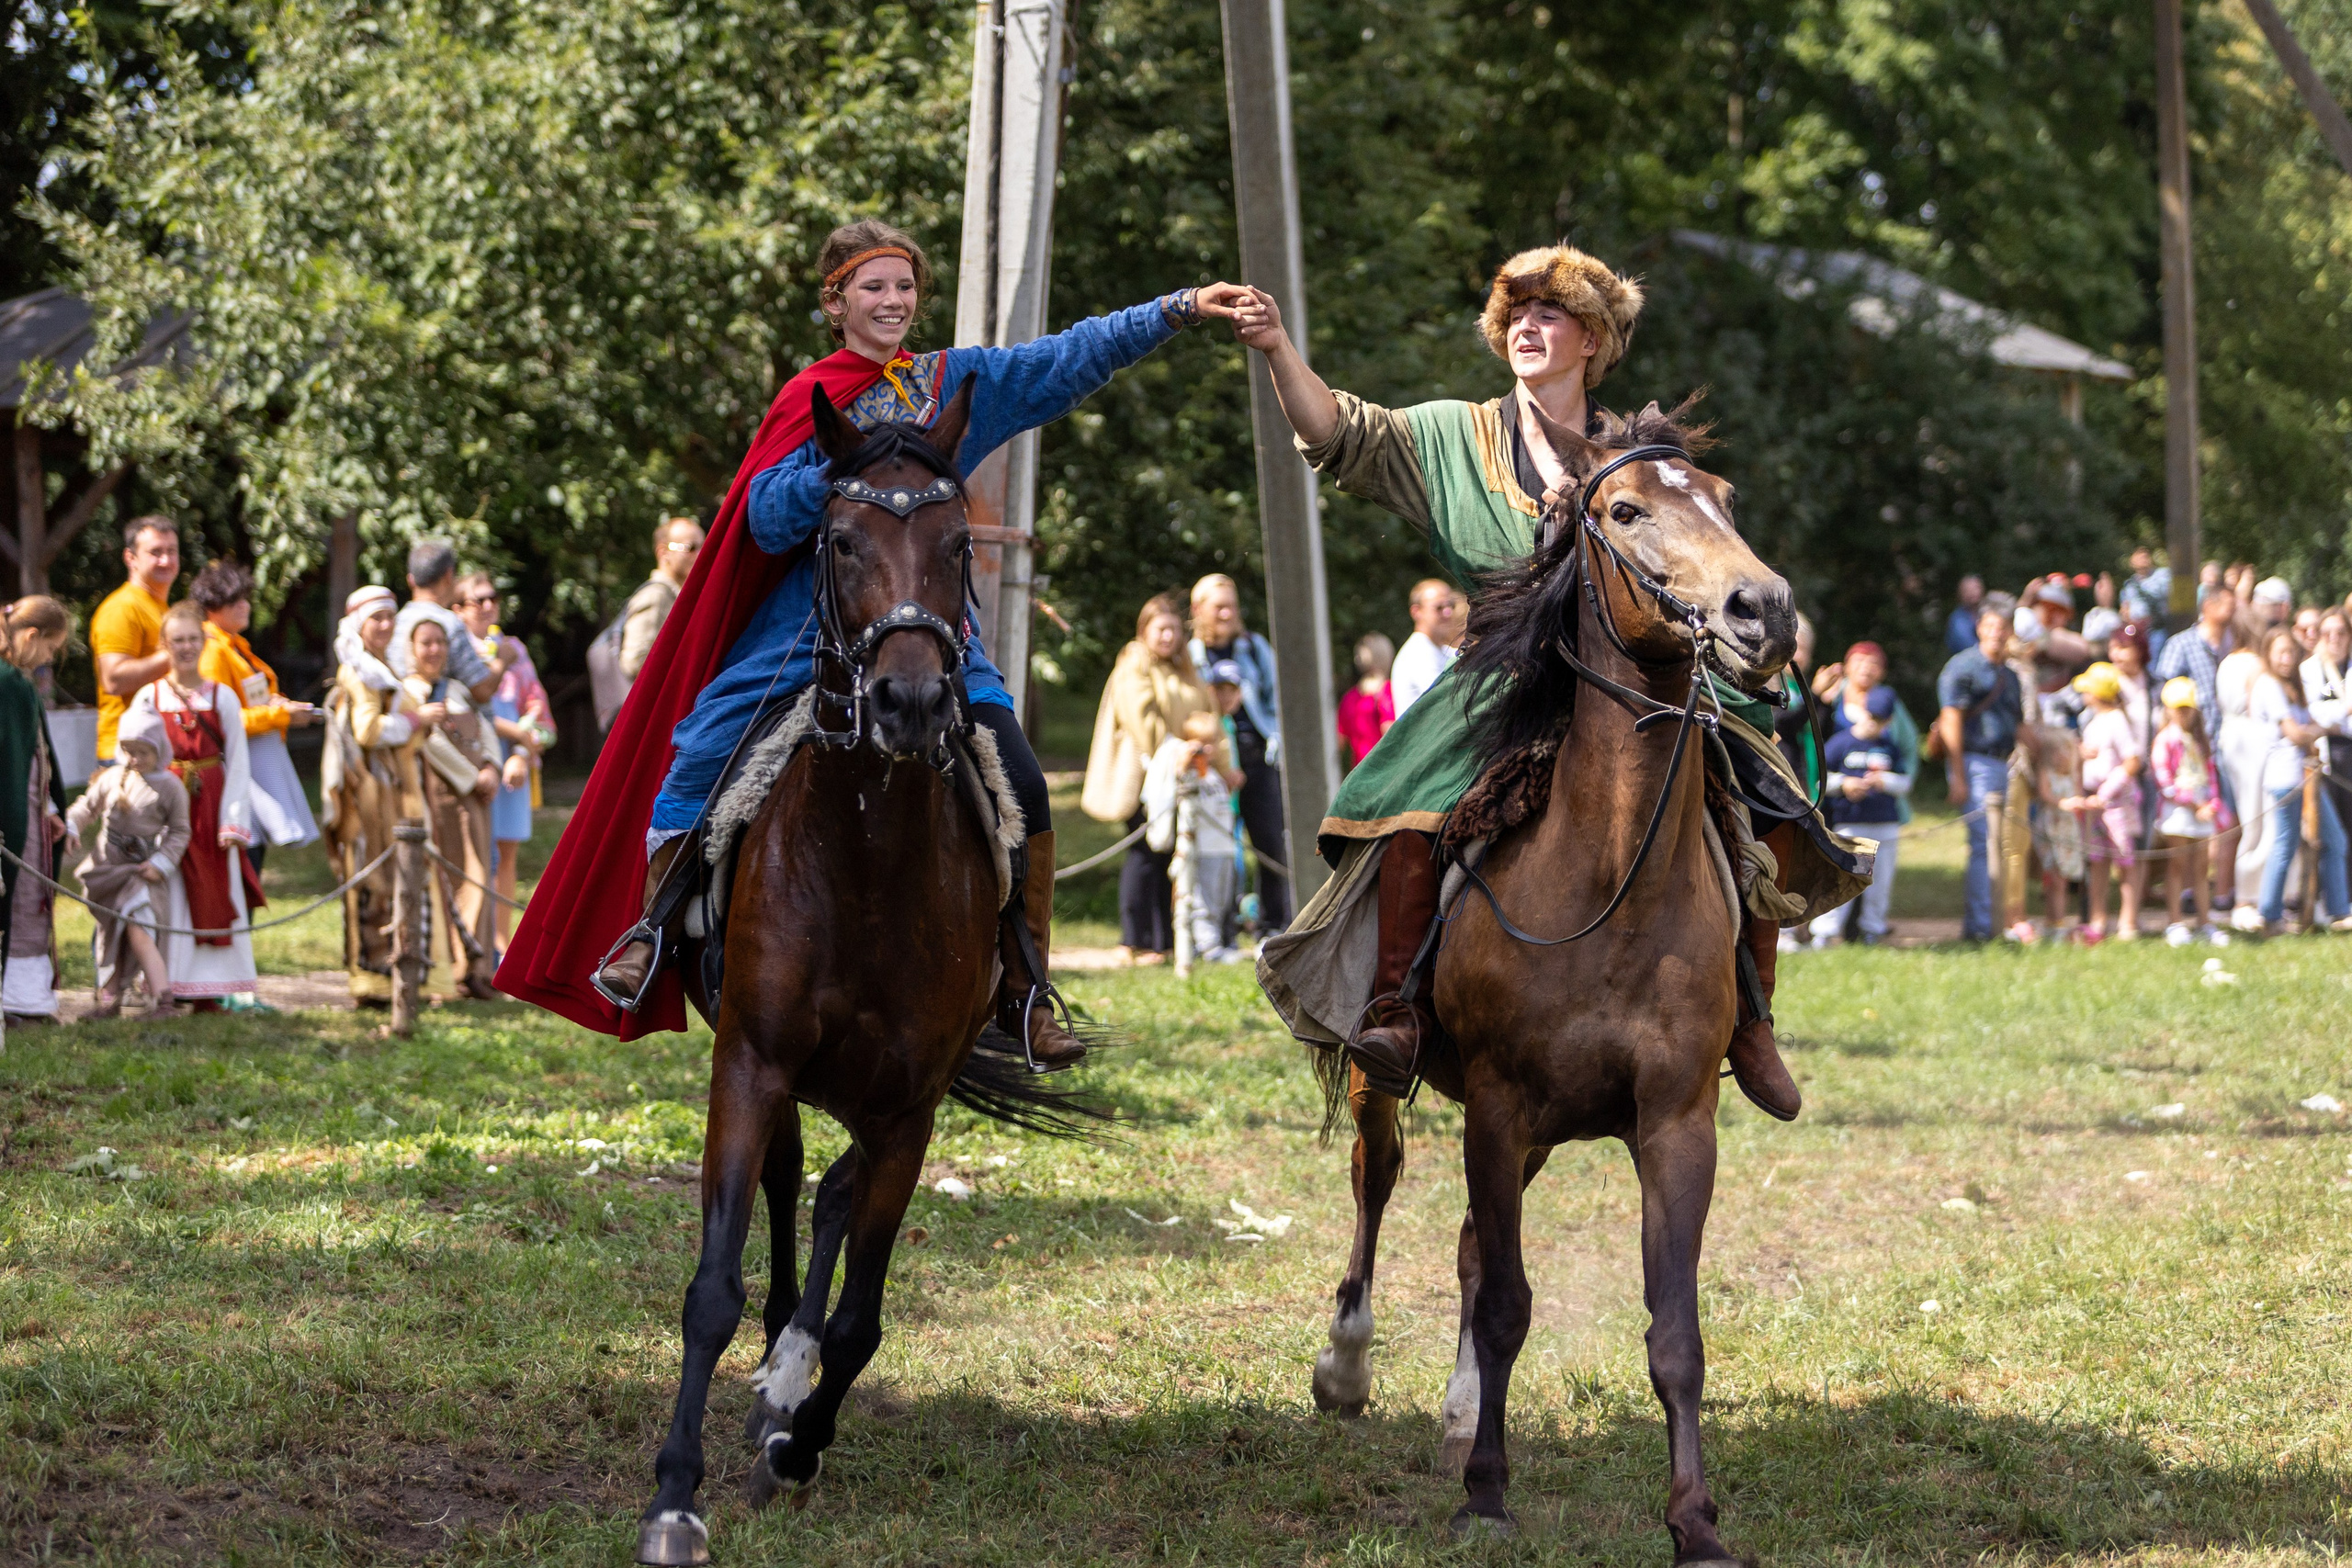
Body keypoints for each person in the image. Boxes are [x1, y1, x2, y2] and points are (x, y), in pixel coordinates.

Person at [516, 220, 1247, 1058]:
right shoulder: (810, 398)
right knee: (700, 752)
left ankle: (1026, 987)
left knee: (1024, 782)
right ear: (836, 303)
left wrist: (1178, 308)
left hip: (933, 634)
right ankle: (651, 935)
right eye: (874, 287)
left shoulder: (951, 383)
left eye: (904, 287)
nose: (894, 301)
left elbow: (1064, 359)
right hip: (808, 633)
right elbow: (760, 515)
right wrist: (839, 467)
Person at [1234, 245, 1853, 1118]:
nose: (1527, 325)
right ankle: (1395, 1011)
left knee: (1769, 780)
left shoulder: (1634, 451)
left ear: (1592, 336)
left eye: (1549, 312)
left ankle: (1751, 1013)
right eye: (1514, 313)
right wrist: (1275, 347)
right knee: (1403, 793)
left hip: (1637, 673)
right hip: (1505, 674)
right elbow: (1338, 430)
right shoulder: (1454, 435)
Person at [130, 601, 264, 1010]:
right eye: (177, 640)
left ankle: (210, 990)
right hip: (166, 807)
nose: (186, 647)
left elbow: (239, 761)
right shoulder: (148, 696)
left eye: (192, 639)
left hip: (209, 805)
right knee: (167, 893)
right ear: (164, 644)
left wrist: (233, 820)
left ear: (203, 642)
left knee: (209, 891)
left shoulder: (222, 697)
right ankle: (166, 984)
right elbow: (132, 756)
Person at [1083, 594, 1219, 964]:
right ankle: (1134, 938)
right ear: (1145, 631)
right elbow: (1141, 717)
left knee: (1165, 856)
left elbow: (1206, 712)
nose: (1168, 637)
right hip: (1145, 776)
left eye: (1174, 629)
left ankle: (1161, 941)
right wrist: (1175, 751)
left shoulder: (1183, 668)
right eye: (1161, 629)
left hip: (1180, 775)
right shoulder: (1134, 664)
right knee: (1144, 852)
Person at [320, 587, 428, 1005]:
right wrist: (417, 718)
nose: (385, 626)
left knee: (387, 875)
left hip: (385, 784)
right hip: (367, 787)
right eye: (376, 618)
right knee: (370, 875)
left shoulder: (379, 666)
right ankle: (369, 978)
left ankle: (387, 976)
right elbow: (367, 731)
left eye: (390, 617)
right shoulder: (360, 669)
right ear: (359, 624)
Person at [191, 559, 321, 869]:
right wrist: (280, 716)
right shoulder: (212, 651)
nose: (244, 606)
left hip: (253, 765)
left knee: (251, 860)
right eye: (234, 601)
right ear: (213, 605)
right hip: (232, 775)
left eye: (245, 598)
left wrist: (277, 705)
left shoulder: (234, 646)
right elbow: (218, 722)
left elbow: (247, 702)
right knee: (243, 864)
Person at [67, 705, 186, 1018]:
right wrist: (71, 827)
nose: (134, 759)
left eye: (142, 752)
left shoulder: (170, 786)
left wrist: (161, 864)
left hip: (143, 874)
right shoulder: (112, 778)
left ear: (158, 748)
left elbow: (180, 831)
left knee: (139, 930)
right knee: (111, 933)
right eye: (128, 751)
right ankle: (109, 1000)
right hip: (109, 872)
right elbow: (86, 808)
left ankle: (163, 999)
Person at [455, 572, 553, 948]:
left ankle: (500, 946)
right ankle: (468, 945)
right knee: (470, 854)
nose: (488, 606)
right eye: (477, 600)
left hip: (512, 769)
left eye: (492, 598)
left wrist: (522, 753)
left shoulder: (514, 648)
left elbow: (538, 709)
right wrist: (513, 734)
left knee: (505, 855)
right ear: (458, 609)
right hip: (471, 761)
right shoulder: (453, 648)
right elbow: (462, 708)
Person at [404, 618, 502, 998]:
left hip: (477, 793)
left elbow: (485, 726)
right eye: (425, 643)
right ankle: (458, 966)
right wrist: (471, 777)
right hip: (443, 794)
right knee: (457, 874)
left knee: (481, 871)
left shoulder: (458, 688)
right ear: (412, 649)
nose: (434, 650)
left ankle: (480, 967)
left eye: (440, 642)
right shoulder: (409, 692)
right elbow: (430, 743)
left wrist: (491, 765)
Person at [1188, 574, 1291, 931]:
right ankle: (1219, 925)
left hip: (1258, 753)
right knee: (1215, 844)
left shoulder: (1255, 647)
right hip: (1213, 758)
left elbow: (1276, 698)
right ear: (1198, 609)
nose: (1228, 613)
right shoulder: (1190, 656)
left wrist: (1276, 741)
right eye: (1219, 606)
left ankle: (1275, 922)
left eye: (1232, 605)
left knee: (1271, 841)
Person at [2248, 626, 2350, 932]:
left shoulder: (2292, 686)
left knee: (2334, 840)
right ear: (2268, 654)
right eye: (2280, 652)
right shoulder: (2268, 685)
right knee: (2285, 844)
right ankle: (2269, 914)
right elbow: (2294, 733)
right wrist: (2320, 731)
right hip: (2285, 778)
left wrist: (2314, 732)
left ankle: (2337, 910)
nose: (2286, 658)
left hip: (2305, 776)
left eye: (2290, 652)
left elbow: (2307, 729)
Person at [0, 598, 72, 1021]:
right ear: (30, 637)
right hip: (13, 817)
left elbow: (32, 755)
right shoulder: (12, 684)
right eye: (49, 649)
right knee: (21, 898)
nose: (49, 659)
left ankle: (21, 996)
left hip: (27, 808)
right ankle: (17, 998)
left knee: (24, 899)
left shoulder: (14, 682)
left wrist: (46, 807)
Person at [2154, 581, 2245, 917]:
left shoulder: (2234, 645)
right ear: (2207, 606)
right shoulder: (2181, 644)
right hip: (2186, 755)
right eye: (2226, 604)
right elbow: (2163, 691)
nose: (2232, 611)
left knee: (2226, 822)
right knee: (2184, 838)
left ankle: (2219, 895)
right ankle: (2185, 903)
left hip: (2224, 746)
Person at [1939, 607, 2026, 942]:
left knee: (2002, 846)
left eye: (2003, 627)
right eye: (1990, 626)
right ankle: (1980, 928)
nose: (1997, 633)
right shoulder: (1963, 668)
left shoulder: (2011, 675)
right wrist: (1958, 775)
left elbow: (2020, 726)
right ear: (1979, 629)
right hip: (1974, 762)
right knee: (1982, 843)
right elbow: (1951, 721)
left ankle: (1996, 921)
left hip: (2005, 763)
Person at [1808, 679, 1906, 947]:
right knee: (1842, 879)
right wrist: (1845, 784)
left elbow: (1905, 782)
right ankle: (1826, 933)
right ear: (1862, 711)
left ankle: (1873, 929)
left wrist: (1885, 781)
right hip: (1849, 822)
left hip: (1885, 823)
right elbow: (1820, 782)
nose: (1875, 723)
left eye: (1881, 719)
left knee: (1881, 883)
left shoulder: (1889, 746)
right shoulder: (1840, 743)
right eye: (1872, 716)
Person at [1142, 707, 1243, 965]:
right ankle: (1208, 946)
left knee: (1221, 900)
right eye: (1202, 744)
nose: (1207, 750)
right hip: (1204, 848)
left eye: (1212, 744)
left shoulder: (1214, 775)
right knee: (1203, 901)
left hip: (1225, 846)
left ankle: (1217, 941)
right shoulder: (1189, 772)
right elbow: (1174, 784)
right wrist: (1185, 760)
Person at [2057, 661, 2143, 942]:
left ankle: (2128, 921)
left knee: (2125, 862)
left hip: (2115, 805)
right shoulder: (2093, 721)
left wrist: (2106, 793)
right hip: (2094, 805)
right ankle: (2098, 919)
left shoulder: (2117, 720)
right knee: (2097, 862)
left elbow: (2132, 761)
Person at [90, 515, 181, 764]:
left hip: (154, 746)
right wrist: (177, 655)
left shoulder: (160, 608)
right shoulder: (122, 607)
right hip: (126, 751)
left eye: (172, 551)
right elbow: (114, 679)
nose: (166, 560)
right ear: (130, 558)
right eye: (155, 552)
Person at [2152, 676, 2229, 944]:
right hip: (2178, 812)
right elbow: (2165, 782)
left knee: (2201, 868)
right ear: (2168, 709)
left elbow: (2210, 777)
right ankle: (2175, 921)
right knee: (2177, 865)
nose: (2183, 714)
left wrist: (2213, 805)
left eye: (2187, 708)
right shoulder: (2165, 739)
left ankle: (2204, 922)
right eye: (2178, 708)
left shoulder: (2199, 741)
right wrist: (2195, 804)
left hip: (2202, 810)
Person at [392, 540, 498, 704]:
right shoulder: (449, 623)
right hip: (441, 721)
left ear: (410, 580)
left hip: (405, 716)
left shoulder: (394, 623)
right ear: (449, 576)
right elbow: (481, 690)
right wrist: (504, 660)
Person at [622, 517, 705, 682]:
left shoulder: (675, 596)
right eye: (691, 548)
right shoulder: (656, 596)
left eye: (703, 547)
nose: (700, 554)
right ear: (663, 552)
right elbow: (634, 662)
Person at [1389, 578, 1464, 717]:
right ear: (1416, 612)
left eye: (1451, 606)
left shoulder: (1441, 651)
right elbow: (1450, 703)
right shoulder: (1417, 653)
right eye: (1439, 607)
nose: (1448, 613)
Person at [1336, 632, 1395, 770]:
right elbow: (1390, 732)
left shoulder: (1350, 697)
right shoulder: (1387, 691)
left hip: (1358, 773)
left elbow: (1339, 741)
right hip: (1384, 770)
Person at [2120, 547, 2172, 627]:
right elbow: (2125, 607)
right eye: (2140, 557)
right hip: (2137, 628)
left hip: (2157, 625)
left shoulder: (2162, 574)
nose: (2143, 559)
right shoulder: (2129, 584)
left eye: (2146, 556)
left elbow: (2167, 594)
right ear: (2132, 562)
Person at [1944, 574, 1986, 654]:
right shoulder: (1957, 620)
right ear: (1961, 594)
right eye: (1968, 590)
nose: (1973, 593)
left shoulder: (1988, 614)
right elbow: (1968, 647)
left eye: (1976, 588)